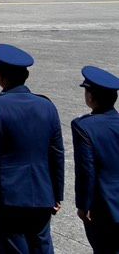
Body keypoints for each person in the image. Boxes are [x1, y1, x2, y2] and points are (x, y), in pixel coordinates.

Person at [0, 43, 63, 254]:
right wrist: (57, 194)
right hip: (43, 193)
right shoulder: (47, 105)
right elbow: (57, 152)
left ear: (1, 76)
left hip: (9, 196)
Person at [73, 66, 119, 254]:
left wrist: (84, 205)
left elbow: (87, 170)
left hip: (103, 206)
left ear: (91, 97)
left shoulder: (84, 127)